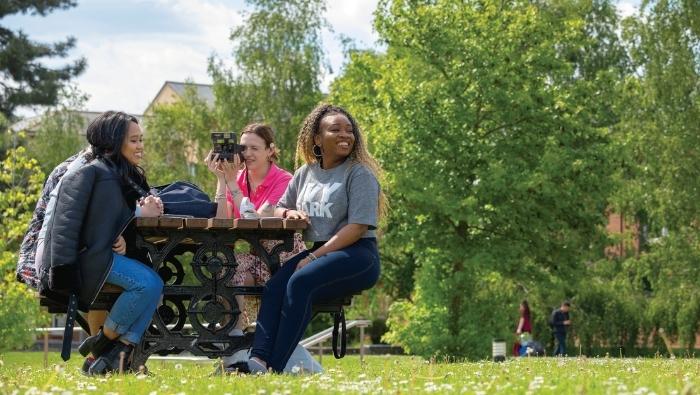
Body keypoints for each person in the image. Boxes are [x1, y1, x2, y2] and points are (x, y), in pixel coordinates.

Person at [245, 103, 386, 374]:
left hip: (358, 254)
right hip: (322, 251)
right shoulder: (306, 173)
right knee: (276, 286)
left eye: (349, 130)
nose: (345, 135)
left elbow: (357, 227)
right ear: (317, 139)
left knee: (300, 282)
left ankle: (275, 366)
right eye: (335, 129)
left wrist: (312, 257)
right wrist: (289, 211)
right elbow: (276, 207)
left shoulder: (359, 174)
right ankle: (258, 360)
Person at [38, 111, 164, 375]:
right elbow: (66, 224)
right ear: (114, 141)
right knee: (149, 284)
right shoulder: (94, 173)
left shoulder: (122, 174)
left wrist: (128, 227)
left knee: (155, 285)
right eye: (133, 140)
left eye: (141, 140)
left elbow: (112, 217)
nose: (140, 146)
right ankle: (108, 345)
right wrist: (63, 271)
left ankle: (101, 357)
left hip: (103, 256)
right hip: (86, 261)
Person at [205, 123, 305, 337]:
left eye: (254, 148)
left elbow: (256, 219)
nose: (247, 154)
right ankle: (235, 337)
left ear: (270, 150)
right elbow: (223, 220)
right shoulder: (238, 177)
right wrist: (221, 181)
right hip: (258, 257)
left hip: (284, 258)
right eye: (243, 148)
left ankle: (254, 339)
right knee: (225, 268)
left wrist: (232, 184)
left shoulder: (283, 180)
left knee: (232, 267)